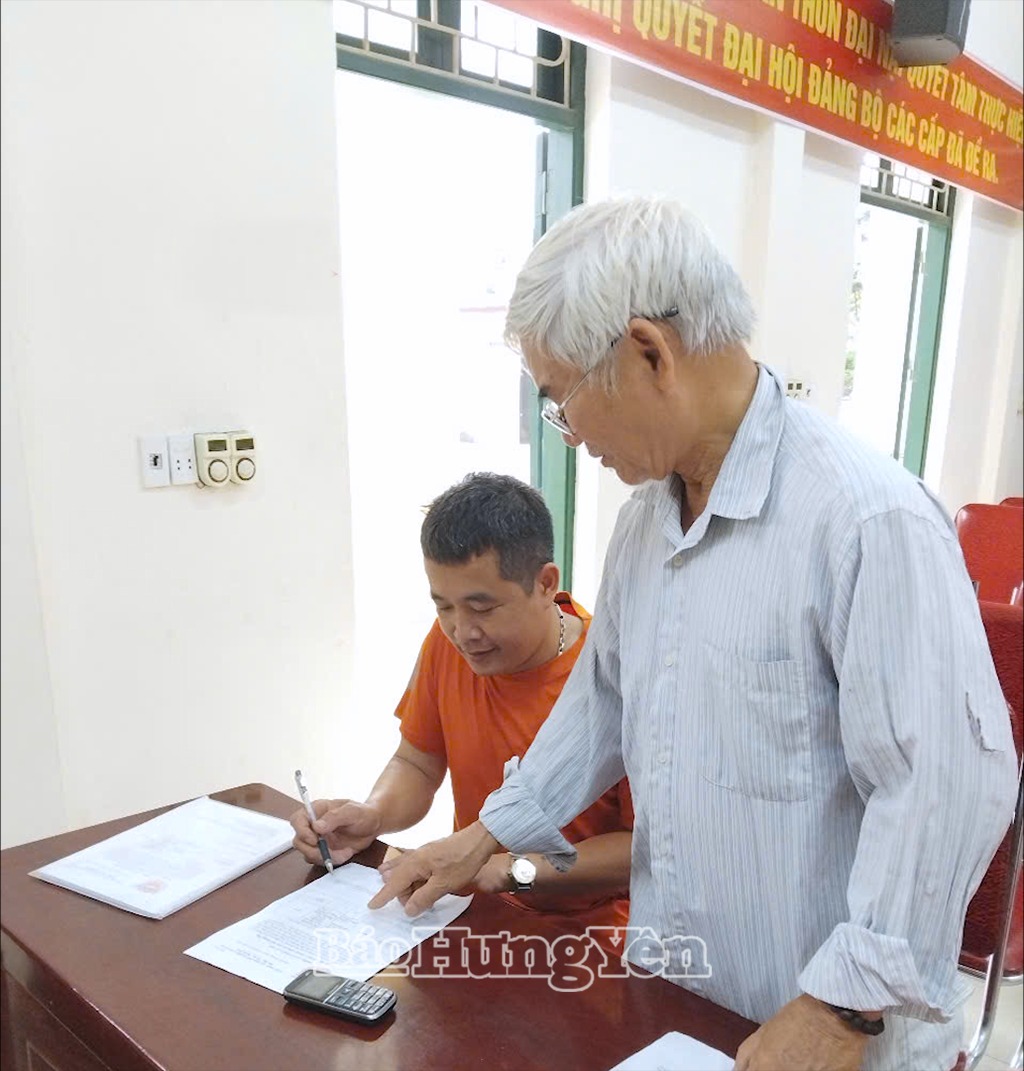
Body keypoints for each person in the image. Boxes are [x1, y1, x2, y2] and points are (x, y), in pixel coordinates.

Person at [368, 197, 1018, 1071]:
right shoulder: (645, 524)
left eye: (563, 401)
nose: (571, 434)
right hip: (677, 992)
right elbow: (599, 706)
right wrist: (485, 834)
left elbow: (945, 784)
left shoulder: (864, 519)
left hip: (821, 1025)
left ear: (649, 351)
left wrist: (842, 1006)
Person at [290, 472, 633, 940]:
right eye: (443, 606)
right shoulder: (448, 644)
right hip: (468, 913)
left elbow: (641, 851)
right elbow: (417, 762)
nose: (462, 632)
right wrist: (373, 814)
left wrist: (506, 868)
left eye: (482, 608)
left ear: (545, 583)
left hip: (588, 937)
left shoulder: (611, 673)